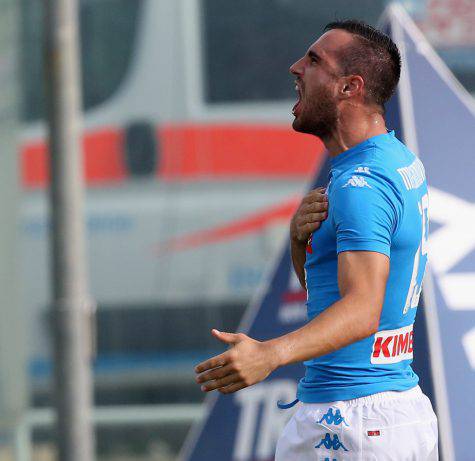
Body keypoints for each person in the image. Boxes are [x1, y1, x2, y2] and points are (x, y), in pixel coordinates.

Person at [195, 19, 438, 460]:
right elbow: (334, 302)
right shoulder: (393, 159)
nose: (295, 68)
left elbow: (363, 310)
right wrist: (298, 242)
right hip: (379, 414)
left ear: (349, 87)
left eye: (313, 61)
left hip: (355, 422)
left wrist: (271, 353)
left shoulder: (360, 184)